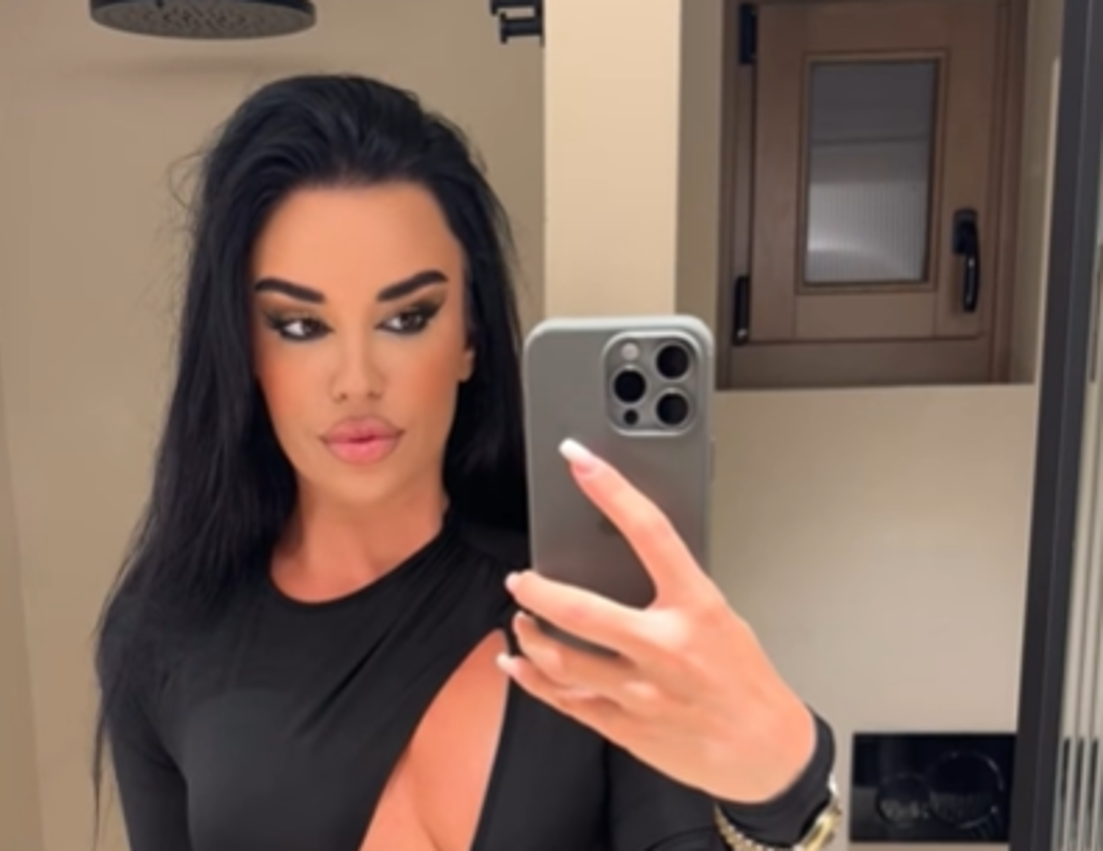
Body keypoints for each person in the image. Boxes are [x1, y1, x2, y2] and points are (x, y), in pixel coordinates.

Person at [93, 73, 841, 851]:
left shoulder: (589, 612)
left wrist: (781, 787)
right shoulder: (163, 635)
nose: (357, 380)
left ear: (470, 337)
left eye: (407, 317)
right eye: (300, 325)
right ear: (244, 346)